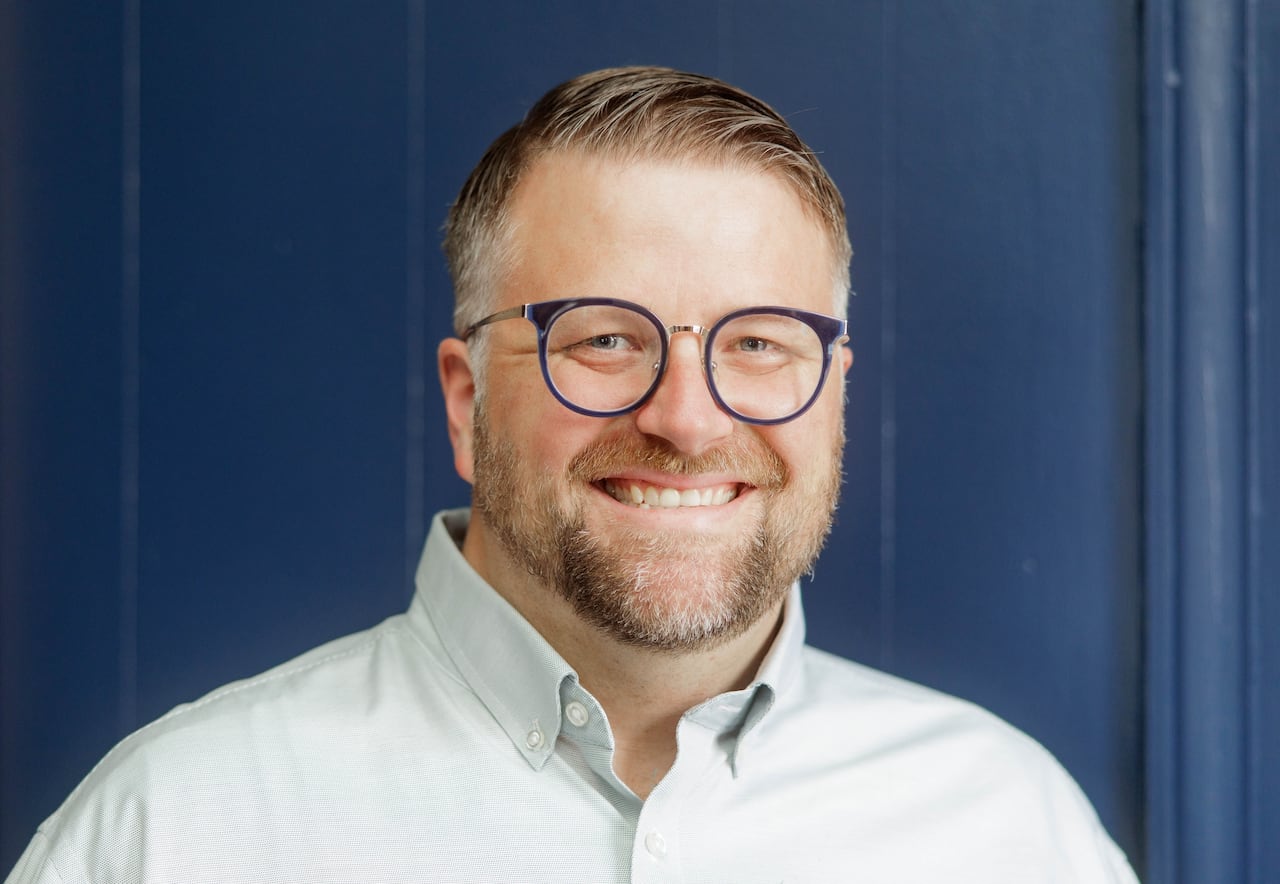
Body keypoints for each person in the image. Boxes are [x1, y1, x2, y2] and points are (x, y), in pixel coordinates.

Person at [7, 66, 1138, 883]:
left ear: (835, 391)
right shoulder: (174, 833)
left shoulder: (1012, 830)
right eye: (601, 338)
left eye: (757, 343)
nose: (687, 420)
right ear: (464, 400)